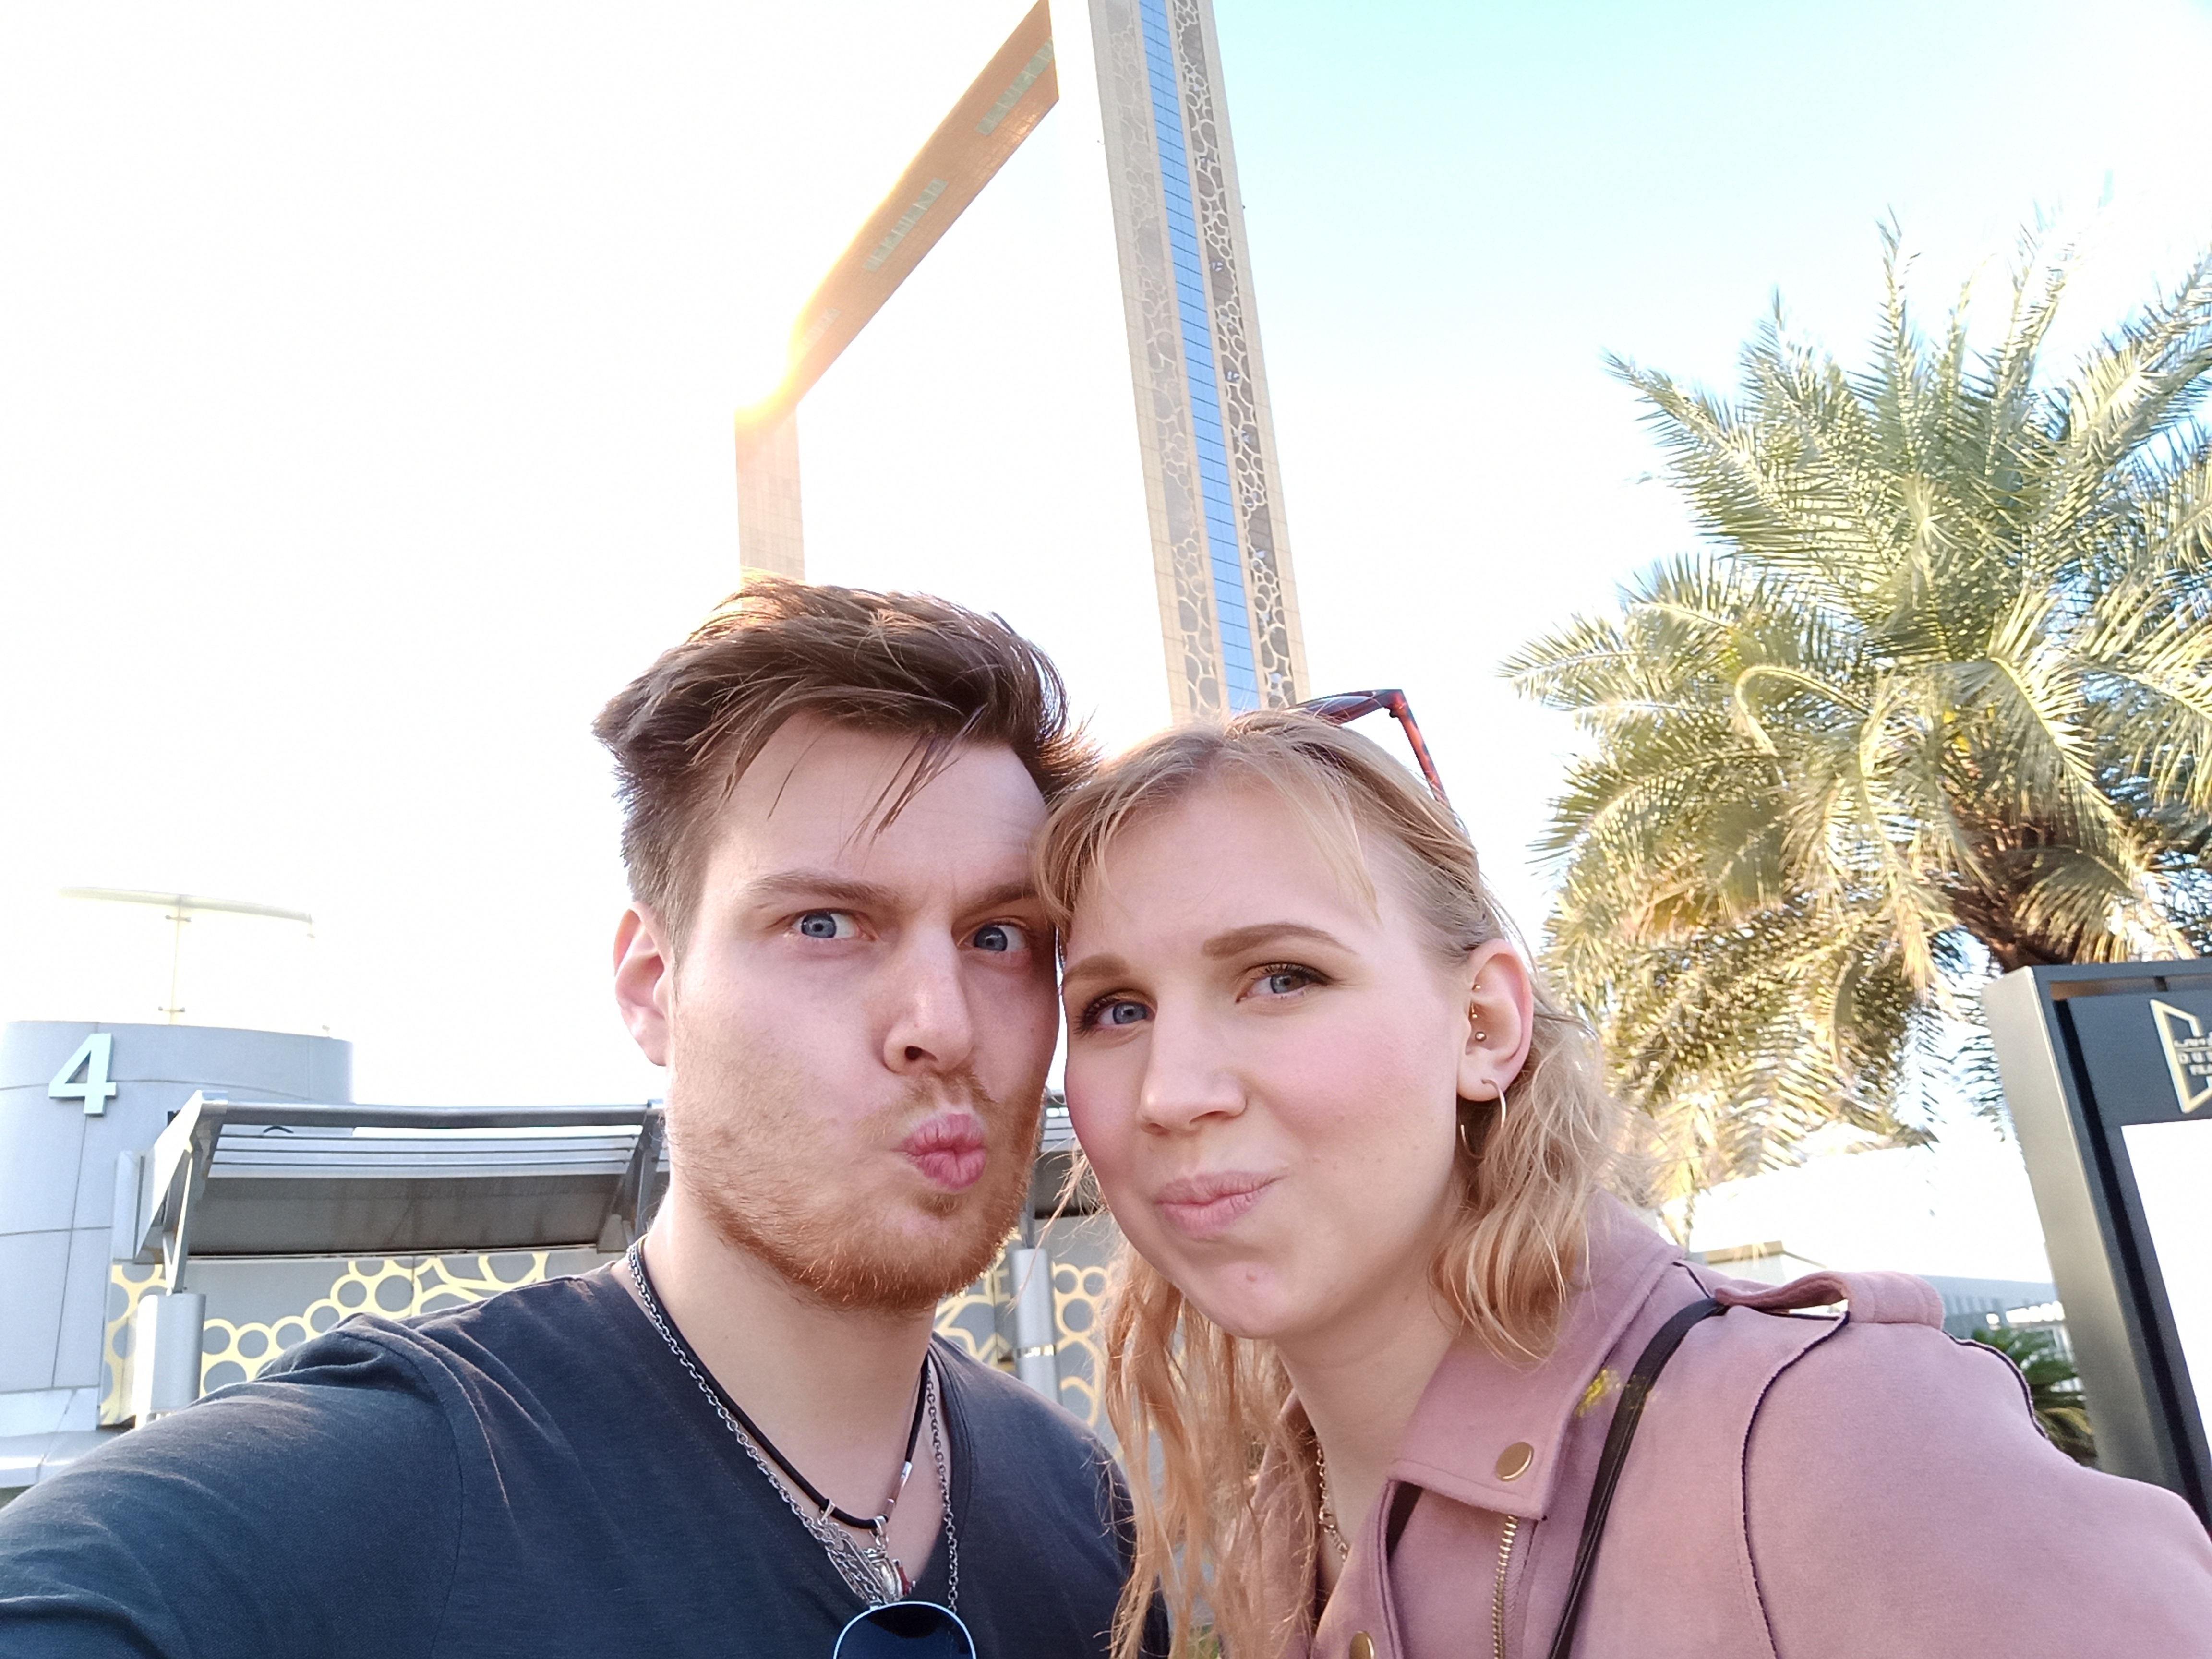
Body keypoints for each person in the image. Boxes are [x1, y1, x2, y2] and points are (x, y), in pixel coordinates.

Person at [0, 578, 1136, 1657]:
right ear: (653, 986)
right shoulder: (385, 1484)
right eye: (825, 925)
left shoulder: (1086, 1509)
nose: (942, 1024)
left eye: (998, 938)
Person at [1037, 709, 2212, 1659]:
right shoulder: (1279, 1533)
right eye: (1115, 1009)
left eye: (1282, 977)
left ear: (1485, 1025)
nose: (1169, 1091)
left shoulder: (1827, 1444)